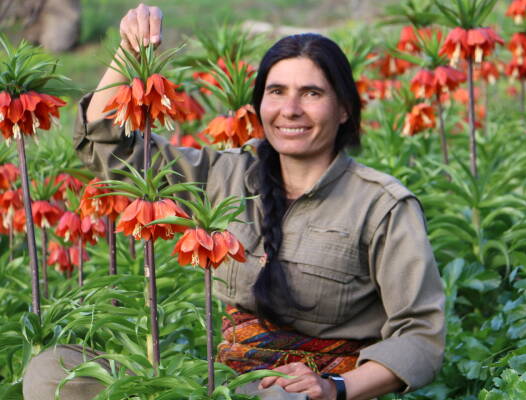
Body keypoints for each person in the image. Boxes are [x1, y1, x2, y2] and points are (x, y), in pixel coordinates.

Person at [23, 4, 445, 400]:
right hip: (222, 380)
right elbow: (107, 145)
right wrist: (129, 51)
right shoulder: (224, 174)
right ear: (260, 104)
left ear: (344, 109)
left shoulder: (382, 205)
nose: (290, 109)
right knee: (52, 370)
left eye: (312, 93)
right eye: (276, 92)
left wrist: (335, 387)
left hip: (299, 390)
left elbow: (420, 335)